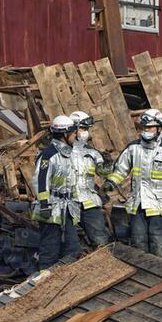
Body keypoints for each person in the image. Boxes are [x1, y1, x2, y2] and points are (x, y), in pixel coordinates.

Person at [110, 108, 162, 260]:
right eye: (144, 127)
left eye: (150, 127)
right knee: (138, 242)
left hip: (159, 207)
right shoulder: (133, 148)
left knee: (158, 243)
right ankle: (144, 278)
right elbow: (120, 170)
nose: (146, 130)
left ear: (159, 128)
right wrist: (111, 182)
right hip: (137, 205)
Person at [32, 115, 81, 270]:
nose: (76, 136)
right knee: (50, 250)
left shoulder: (70, 154)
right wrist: (45, 205)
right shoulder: (48, 155)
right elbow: (40, 181)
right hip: (51, 209)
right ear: (64, 134)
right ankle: (45, 284)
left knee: (72, 248)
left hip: (68, 208)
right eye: (73, 133)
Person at [70, 111, 115, 248]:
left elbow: (102, 172)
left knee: (101, 241)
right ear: (73, 129)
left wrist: (107, 163)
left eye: (87, 129)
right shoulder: (59, 151)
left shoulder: (91, 152)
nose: (86, 132)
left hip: (89, 204)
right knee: (69, 244)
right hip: (67, 204)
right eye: (83, 128)